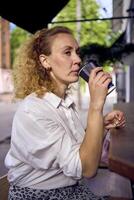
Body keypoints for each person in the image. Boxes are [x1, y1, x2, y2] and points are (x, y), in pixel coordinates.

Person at [5, 26, 125, 200]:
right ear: (45, 61)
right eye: (67, 53)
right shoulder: (33, 110)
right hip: (40, 196)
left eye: (77, 52)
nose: (77, 59)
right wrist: (96, 106)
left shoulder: (64, 102)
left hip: (71, 190)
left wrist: (102, 125)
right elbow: (87, 168)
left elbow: (80, 151)